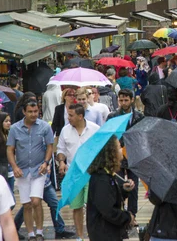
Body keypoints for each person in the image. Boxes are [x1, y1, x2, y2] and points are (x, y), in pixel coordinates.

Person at [6, 102, 54, 241]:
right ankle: (31, 233)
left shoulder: (44, 126)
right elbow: (10, 149)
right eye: (30, 111)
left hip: (39, 169)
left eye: (36, 111)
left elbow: (50, 146)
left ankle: (40, 232)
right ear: (24, 112)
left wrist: (46, 162)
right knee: (26, 204)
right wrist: (14, 167)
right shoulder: (15, 129)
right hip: (22, 170)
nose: (33, 114)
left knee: (36, 201)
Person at [56, 103, 100, 241]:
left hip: (91, 172)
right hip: (73, 173)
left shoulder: (95, 129)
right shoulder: (65, 130)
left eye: (71, 115)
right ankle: (80, 237)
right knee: (76, 206)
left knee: (93, 206)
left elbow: (101, 148)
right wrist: (62, 162)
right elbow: (60, 150)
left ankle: (93, 234)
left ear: (80, 116)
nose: (68, 118)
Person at [86, 136, 135, 241]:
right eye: (118, 147)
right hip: (104, 234)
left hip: (109, 232)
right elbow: (108, 210)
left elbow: (111, 197)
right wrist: (128, 217)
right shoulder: (101, 179)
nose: (121, 149)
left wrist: (124, 190)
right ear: (111, 153)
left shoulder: (108, 175)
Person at [107, 89, 144, 226]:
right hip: (118, 156)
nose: (123, 103)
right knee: (119, 185)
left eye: (126, 100)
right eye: (121, 100)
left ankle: (132, 215)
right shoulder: (112, 116)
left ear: (132, 100)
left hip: (134, 155)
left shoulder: (139, 117)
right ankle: (121, 213)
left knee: (134, 186)